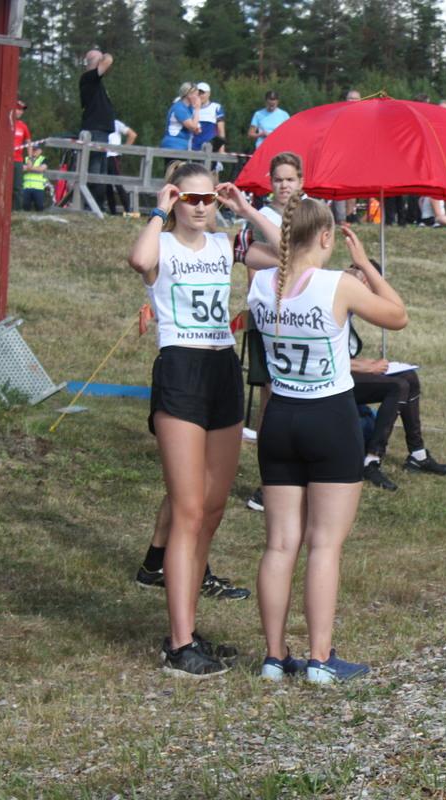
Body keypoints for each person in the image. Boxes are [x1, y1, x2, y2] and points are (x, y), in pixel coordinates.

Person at [127, 164, 279, 677]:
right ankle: (178, 643)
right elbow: (139, 260)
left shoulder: (223, 244)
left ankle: (188, 629)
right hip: (180, 368)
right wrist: (158, 209)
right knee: (188, 510)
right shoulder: (162, 244)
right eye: (189, 198)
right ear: (176, 200)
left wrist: (246, 209)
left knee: (212, 510)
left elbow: (289, 253)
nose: (199, 207)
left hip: (222, 368)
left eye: (207, 198)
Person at [248, 206, 408, 683]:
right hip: (329, 417)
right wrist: (367, 266)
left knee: (279, 545)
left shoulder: (261, 284)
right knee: (324, 545)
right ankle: (319, 658)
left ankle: (274, 657)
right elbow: (398, 316)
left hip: (280, 417)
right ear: (325, 236)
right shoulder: (337, 284)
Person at [239, 151, 305, 513]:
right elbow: (253, 272)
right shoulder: (259, 218)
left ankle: (297, 474)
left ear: (301, 181)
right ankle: (268, 480)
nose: (284, 186)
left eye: (290, 179)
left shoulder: (310, 213)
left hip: (303, 317)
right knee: (271, 399)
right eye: (278, 179)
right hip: (269, 316)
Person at [348, 297, 446, 491]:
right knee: (398, 386)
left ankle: (417, 454)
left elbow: (392, 315)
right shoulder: (331, 305)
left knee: (409, 377)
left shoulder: (349, 306)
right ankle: (371, 459)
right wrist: (365, 366)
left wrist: (365, 363)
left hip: (348, 371)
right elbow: (324, 358)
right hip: (331, 381)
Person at [79, 50, 116, 209]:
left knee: (101, 171)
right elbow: (109, 60)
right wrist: (103, 57)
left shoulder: (95, 81)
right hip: (95, 130)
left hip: (101, 131)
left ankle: (97, 206)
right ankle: (90, 205)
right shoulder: (88, 77)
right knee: (94, 169)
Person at [160, 82, 202, 160]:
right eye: (196, 95)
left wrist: (196, 128)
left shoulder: (189, 109)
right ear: (189, 95)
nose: (198, 98)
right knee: (175, 167)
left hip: (183, 145)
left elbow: (196, 128)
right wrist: (197, 109)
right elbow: (192, 127)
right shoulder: (179, 108)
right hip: (174, 145)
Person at [104, 118, 137, 215]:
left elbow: (132, 135)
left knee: (118, 184)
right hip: (103, 156)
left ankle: (128, 210)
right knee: (106, 186)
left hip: (113, 156)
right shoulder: (101, 122)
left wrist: (122, 150)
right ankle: (112, 211)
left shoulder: (116, 123)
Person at [193, 82, 225, 154]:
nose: (200, 96)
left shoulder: (216, 107)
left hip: (210, 148)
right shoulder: (191, 108)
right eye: (198, 93)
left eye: (202, 93)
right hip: (193, 148)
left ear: (209, 94)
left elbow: (221, 131)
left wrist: (221, 150)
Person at [20, 143, 50, 212]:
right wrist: (36, 168)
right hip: (26, 187)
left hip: (39, 188)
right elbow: (22, 168)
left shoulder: (43, 159)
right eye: (33, 149)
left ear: (40, 151)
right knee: (25, 208)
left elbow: (42, 169)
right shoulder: (26, 158)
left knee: (39, 208)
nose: (34, 151)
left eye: (36, 150)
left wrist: (29, 168)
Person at [12, 100, 30, 211]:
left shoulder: (23, 126)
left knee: (17, 186)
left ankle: (17, 210)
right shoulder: (7, 123)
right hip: (5, 160)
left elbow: (29, 142)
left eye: (22, 110)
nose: (20, 112)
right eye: (18, 109)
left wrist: (30, 159)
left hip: (18, 160)